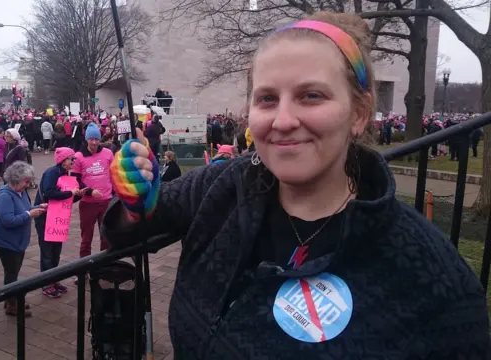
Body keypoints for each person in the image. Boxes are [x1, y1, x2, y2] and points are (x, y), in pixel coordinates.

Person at [103, 12, 490, 359]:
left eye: (311, 96)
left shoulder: (432, 279)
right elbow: (129, 226)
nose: (284, 120)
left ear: (358, 113)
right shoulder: (224, 183)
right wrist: (134, 202)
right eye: (268, 98)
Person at [0, 161, 46, 315]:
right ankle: (12, 305)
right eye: (26, 181)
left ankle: (10, 299)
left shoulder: (20, 192)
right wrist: (29, 214)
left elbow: (26, 210)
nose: (28, 184)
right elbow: (9, 220)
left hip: (17, 240)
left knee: (13, 272)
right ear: (15, 179)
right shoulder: (4, 196)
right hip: (6, 241)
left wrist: (38, 208)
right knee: (11, 273)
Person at [34, 147, 82, 297]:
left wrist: (78, 195)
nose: (74, 161)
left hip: (57, 217)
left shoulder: (65, 174)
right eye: (71, 159)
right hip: (45, 216)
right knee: (47, 252)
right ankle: (46, 283)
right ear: (62, 161)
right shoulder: (52, 172)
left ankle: (53, 279)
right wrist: (70, 193)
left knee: (56, 251)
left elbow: (65, 198)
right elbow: (49, 193)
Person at [72, 123, 114, 260]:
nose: (94, 142)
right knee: (86, 239)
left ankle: (104, 267)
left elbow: (114, 174)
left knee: (106, 237)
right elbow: (75, 180)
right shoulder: (78, 156)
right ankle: (83, 272)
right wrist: (89, 191)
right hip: (87, 204)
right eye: (91, 139)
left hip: (106, 201)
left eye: (97, 139)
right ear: (86, 139)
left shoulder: (108, 153)